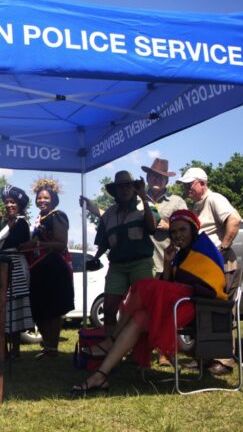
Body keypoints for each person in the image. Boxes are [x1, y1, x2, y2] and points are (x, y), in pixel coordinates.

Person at [71, 210, 227, 396]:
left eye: (182, 230)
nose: (178, 235)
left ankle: (110, 342)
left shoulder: (204, 248)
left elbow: (210, 289)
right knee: (139, 317)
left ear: (193, 230)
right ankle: (101, 375)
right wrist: (168, 263)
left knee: (144, 286)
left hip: (202, 310)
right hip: (179, 306)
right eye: (174, 232)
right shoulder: (180, 254)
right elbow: (169, 285)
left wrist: (180, 286)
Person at [178, 166, 242, 375]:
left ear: (202, 183)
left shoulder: (214, 199)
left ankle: (225, 360)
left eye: (190, 184)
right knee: (204, 311)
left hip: (222, 266)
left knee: (221, 311)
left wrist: (221, 249)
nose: (187, 189)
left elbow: (235, 219)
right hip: (206, 270)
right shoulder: (197, 206)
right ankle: (204, 357)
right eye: (185, 185)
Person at [92, 171, 157, 338]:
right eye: (120, 186)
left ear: (134, 188)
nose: (125, 189)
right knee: (108, 307)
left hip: (141, 263)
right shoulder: (108, 215)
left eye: (128, 185)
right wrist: (95, 258)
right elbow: (103, 243)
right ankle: (110, 346)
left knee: (143, 306)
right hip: (117, 266)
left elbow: (152, 228)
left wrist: (144, 198)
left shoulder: (145, 205)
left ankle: (141, 351)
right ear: (115, 191)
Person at [19, 178, 74, 359]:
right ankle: (47, 346)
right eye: (39, 198)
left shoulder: (57, 216)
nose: (42, 200)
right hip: (38, 268)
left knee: (52, 309)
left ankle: (52, 347)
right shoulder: (38, 219)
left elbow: (60, 244)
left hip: (53, 266)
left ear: (54, 200)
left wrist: (36, 244)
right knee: (39, 308)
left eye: (46, 198)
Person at [141, 158, 187, 366]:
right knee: (143, 308)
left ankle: (164, 351)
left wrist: (166, 225)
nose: (155, 179)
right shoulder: (138, 200)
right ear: (147, 177)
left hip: (167, 262)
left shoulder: (177, 201)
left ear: (166, 180)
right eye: (152, 175)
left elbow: (187, 227)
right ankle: (142, 350)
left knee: (167, 309)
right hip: (142, 263)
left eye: (159, 176)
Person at [0, 185, 35, 359]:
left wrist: (9, 227)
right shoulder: (8, 223)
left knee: (15, 306)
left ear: (19, 205)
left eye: (13, 202)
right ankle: (5, 349)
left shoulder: (22, 222)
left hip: (16, 265)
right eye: (7, 202)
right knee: (5, 307)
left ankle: (15, 350)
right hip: (5, 265)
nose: (9, 205)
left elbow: (17, 243)